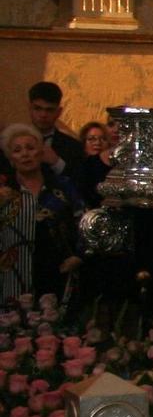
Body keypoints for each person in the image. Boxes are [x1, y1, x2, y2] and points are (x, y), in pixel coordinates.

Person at [1, 123, 84, 299]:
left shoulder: (63, 186)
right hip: (12, 278)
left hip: (60, 272)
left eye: (30, 148)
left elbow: (83, 222)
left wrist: (78, 255)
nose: (25, 154)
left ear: (41, 153)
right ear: (10, 160)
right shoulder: (4, 193)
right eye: (17, 150)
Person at [26, 81, 87, 182]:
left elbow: (80, 184)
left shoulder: (74, 147)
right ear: (29, 108)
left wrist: (56, 162)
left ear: (59, 112)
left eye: (49, 110)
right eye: (38, 108)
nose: (43, 115)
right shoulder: (11, 143)